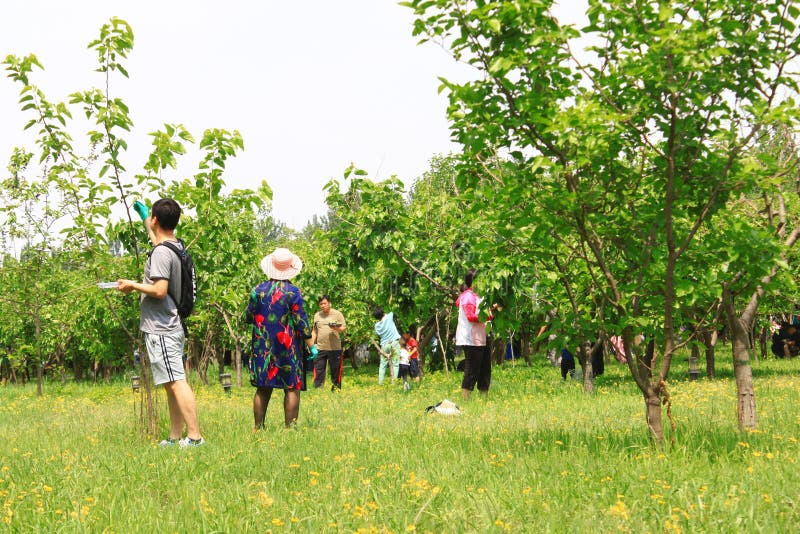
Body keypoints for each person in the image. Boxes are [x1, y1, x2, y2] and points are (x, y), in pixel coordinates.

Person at [117, 198, 204, 447]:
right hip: (169, 325)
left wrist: (132, 285)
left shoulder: (161, 253)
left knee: (177, 381)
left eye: (151, 216)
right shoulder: (173, 246)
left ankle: (195, 437)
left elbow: (159, 290)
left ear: (157, 220)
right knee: (170, 384)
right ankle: (176, 437)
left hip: (163, 327)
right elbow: (157, 239)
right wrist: (145, 216)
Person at [246, 248, 313, 430]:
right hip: (288, 346)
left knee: (263, 387)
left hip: (263, 345)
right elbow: (301, 322)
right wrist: (311, 346)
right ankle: (289, 429)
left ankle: (258, 428)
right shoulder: (293, 292)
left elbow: (248, 317)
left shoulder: (257, 291)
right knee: (292, 387)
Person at [455, 268, 493, 400]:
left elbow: (484, 312)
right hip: (471, 339)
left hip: (482, 337)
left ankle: (484, 399)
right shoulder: (467, 297)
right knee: (472, 370)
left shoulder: (480, 296)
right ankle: (466, 400)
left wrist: (492, 308)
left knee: (485, 369)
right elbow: (471, 316)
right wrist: (488, 314)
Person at [310, 295, 347, 391]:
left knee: (336, 370)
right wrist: (311, 344)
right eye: (321, 304)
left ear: (329, 303)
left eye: (325, 303)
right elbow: (314, 331)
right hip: (320, 347)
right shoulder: (317, 315)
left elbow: (343, 328)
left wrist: (336, 328)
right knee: (319, 370)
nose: (323, 305)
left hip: (334, 348)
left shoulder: (337, 314)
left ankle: (336, 389)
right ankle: (318, 389)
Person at [373, 307, 401, 384]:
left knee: (382, 365)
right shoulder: (389, 317)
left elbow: (377, 334)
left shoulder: (376, 326)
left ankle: (380, 383)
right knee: (395, 364)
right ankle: (394, 383)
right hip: (393, 343)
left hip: (384, 345)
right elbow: (392, 308)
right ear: (383, 313)